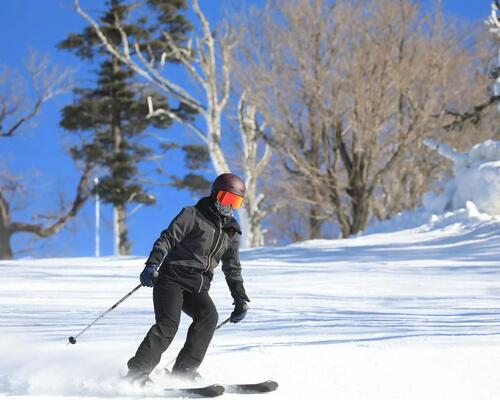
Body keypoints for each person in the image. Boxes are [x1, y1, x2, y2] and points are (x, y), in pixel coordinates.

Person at [125, 173, 250, 385]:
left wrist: (240, 299)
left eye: (235, 202)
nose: (228, 206)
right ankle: (137, 372)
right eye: (225, 199)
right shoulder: (192, 215)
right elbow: (167, 238)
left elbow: (233, 268)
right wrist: (152, 264)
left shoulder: (231, 233)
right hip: (171, 278)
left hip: (197, 286)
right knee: (168, 324)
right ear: (214, 194)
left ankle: (183, 373)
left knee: (208, 317)